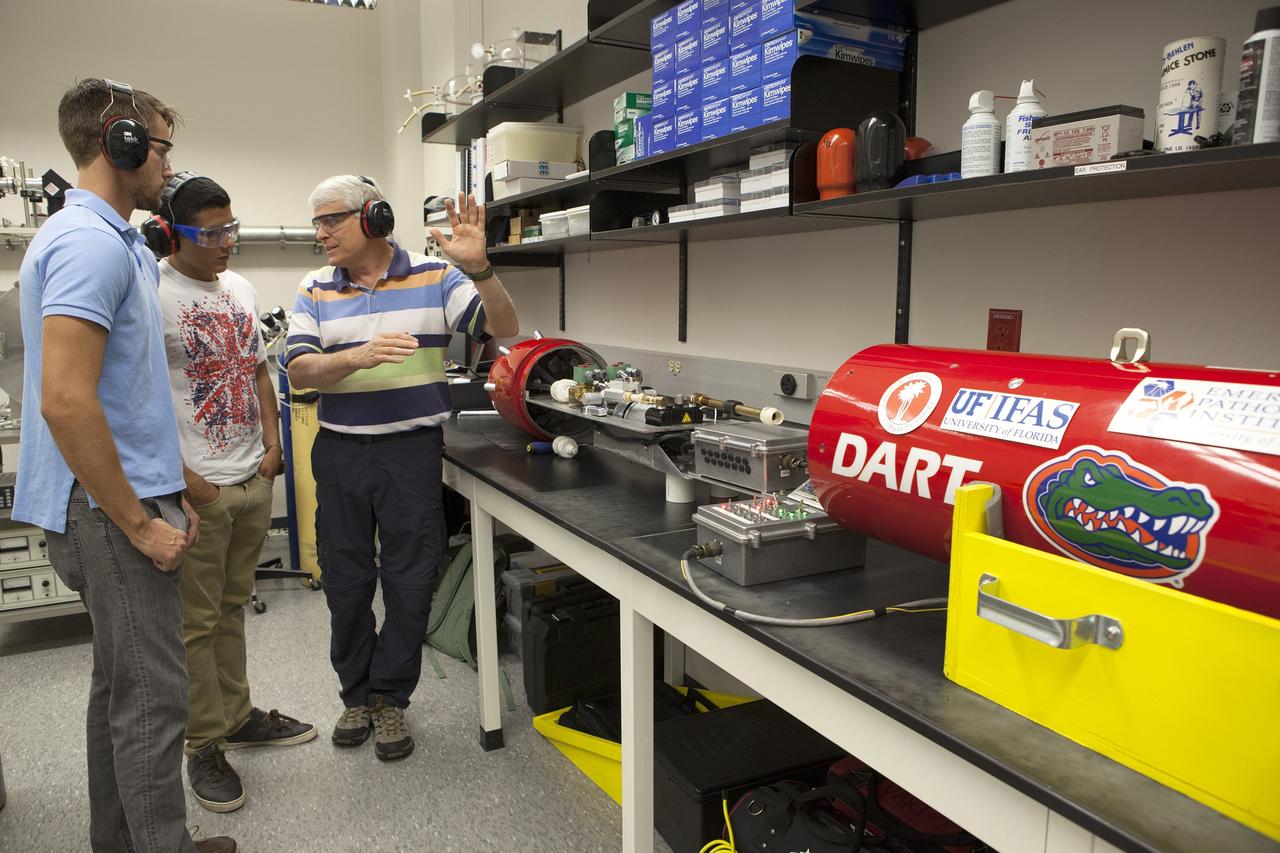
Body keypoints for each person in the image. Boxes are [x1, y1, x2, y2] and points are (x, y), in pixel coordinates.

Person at [12, 79, 235, 853]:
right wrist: (140, 521)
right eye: (162, 146)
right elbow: (67, 403)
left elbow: (125, 394)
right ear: (122, 144)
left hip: (125, 497)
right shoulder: (85, 244)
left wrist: (176, 487)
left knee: (121, 689)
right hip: (110, 512)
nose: (169, 166)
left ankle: (126, 842)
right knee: (152, 703)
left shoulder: (113, 241)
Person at [284, 176, 518, 761]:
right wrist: (360, 355)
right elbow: (299, 372)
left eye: (329, 220)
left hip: (409, 452)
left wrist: (482, 269)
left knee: (411, 580)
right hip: (339, 452)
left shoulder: (436, 277)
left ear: (372, 216)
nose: (320, 234)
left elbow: (505, 329)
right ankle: (355, 694)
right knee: (344, 580)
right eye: (316, 222)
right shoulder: (315, 287)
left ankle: (390, 698)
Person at [153, 173, 317, 813]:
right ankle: (203, 745)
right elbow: (137, 399)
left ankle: (239, 716)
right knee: (195, 625)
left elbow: (255, 367)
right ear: (175, 232)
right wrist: (188, 484)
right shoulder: (151, 291)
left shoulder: (240, 288)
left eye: (232, 229)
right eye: (211, 233)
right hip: (199, 489)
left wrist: (273, 446)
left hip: (252, 474)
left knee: (230, 608)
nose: (226, 243)